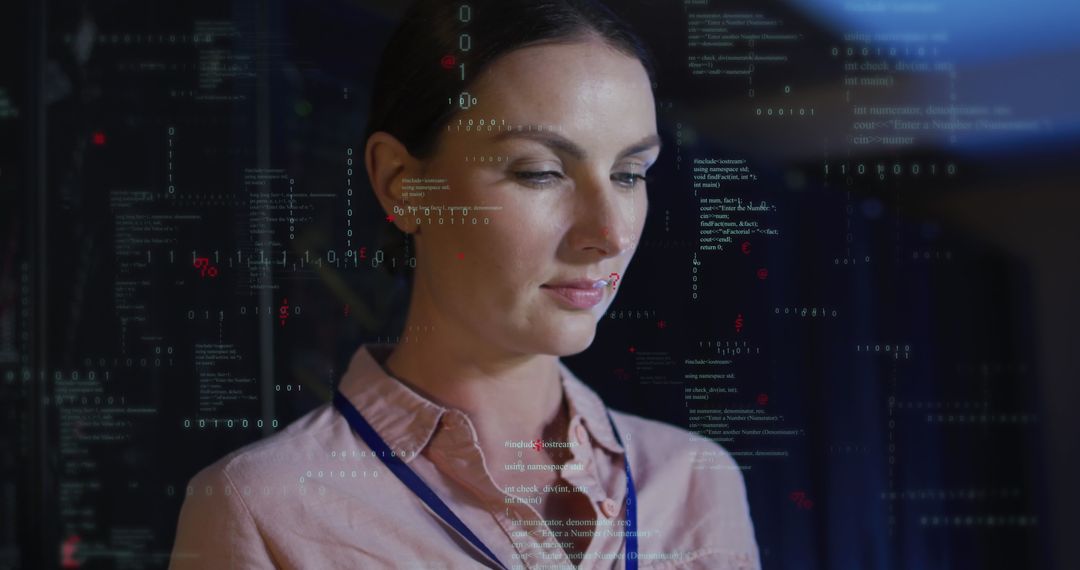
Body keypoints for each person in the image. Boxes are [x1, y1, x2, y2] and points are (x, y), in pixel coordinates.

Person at [169, 0, 760, 568]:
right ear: (402, 182)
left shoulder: (694, 482)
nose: (608, 234)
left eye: (629, 174)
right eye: (540, 172)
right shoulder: (262, 506)